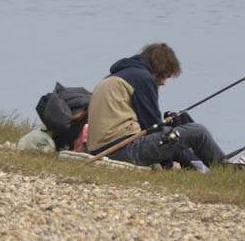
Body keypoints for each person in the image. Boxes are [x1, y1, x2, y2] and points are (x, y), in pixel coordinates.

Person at [86, 43, 226, 169]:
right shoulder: (142, 78)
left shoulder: (117, 76)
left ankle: (199, 168)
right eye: (166, 76)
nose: (165, 83)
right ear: (160, 68)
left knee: (173, 132)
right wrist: (167, 164)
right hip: (122, 150)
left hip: (101, 149)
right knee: (197, 131)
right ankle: (225, 169)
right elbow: (152, 125)